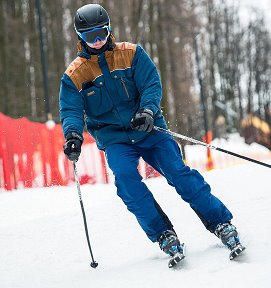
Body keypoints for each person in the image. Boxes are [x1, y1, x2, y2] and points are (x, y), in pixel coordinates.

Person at [59, 3, 245, 267]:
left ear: (109, 29)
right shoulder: (74, 75)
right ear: (81, 38)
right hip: (115, 139)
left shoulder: (132, 54)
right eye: (91, 37)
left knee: (179, 174)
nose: (98, 41)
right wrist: (73, 135)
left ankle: (221, 223)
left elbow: (151, 84)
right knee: (126, 182)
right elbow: (71, 110)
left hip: (147, 128)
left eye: (101, 33)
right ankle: (163, 234)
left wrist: (147, 110)